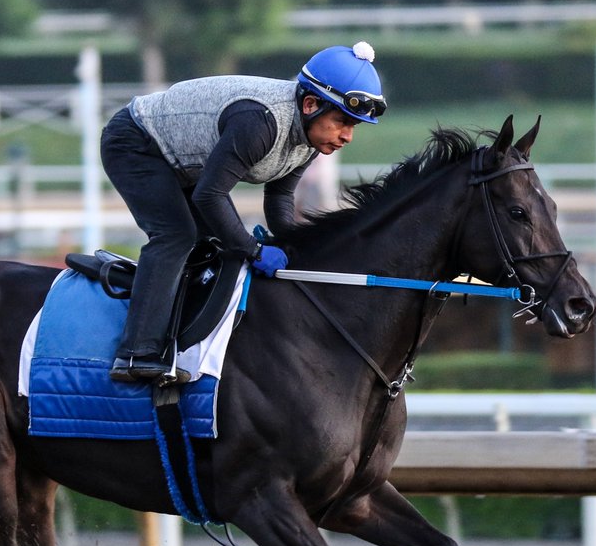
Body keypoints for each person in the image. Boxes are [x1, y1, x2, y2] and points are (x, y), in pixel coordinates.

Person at [102, 42, 386, 384]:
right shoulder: (260, 122)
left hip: (186, 164)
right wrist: (253, 250)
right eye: (342, 122)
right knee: (177, 236)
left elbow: (280, 196)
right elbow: (210, 195)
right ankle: (136, 353)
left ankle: (180, 341)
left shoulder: (311, 137)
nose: (347, 137)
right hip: (134, 142)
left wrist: (295, 249)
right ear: (311, 104)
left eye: (353, 126)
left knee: (217, 245)